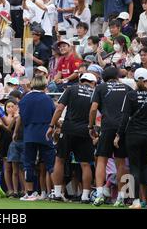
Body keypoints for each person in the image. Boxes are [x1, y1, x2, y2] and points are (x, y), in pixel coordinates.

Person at [115, 68, 147, 209]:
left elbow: (124, 118)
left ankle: (135, 202)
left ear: (134, 81)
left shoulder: (130, 95)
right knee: (146, 166)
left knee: (134, 167)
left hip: (133, 135)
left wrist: (118, 135)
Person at [47, 73, 97, 203]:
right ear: (93, 83)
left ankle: (57, 193)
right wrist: (91, 128)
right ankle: (85, 196)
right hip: (85, 130)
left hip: (68, 129)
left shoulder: (71, 89)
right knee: (85, 164)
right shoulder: (95, 93)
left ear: (81, 80)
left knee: (60, 160)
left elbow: (59, 109)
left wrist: (52, 125)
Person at [89, 66, 133, 207]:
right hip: (123, 128)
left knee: (101, 160)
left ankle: (100, 194)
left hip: (107, 126)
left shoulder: (100, 88)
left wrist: (90, 126)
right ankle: (120, 197)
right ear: (117, 76)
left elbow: (93, 108)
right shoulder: (127, 88)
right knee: (121, 163)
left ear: (103, 77)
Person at [16, 76, 55, 201]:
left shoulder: (24, 99)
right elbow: (53, 115)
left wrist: (16, 132)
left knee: (29, 164)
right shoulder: (48, 99)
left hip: (29, 134)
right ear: (44, 85)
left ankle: (30, 193)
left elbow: (20, 117)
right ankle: (56, 192)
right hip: (45, 134)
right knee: (51, 164)